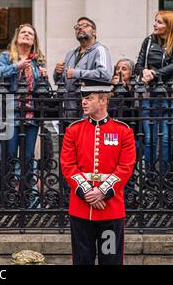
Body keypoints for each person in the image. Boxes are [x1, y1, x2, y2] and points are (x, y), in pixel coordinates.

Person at [60, 78, 136, 265]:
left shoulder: (123, 131)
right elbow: (68, 165)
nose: (83, 102)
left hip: (110, 211)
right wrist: (88, 192)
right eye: (83, 98)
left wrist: (102, 192)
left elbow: (125, 167)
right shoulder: (73, 130)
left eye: (89, 98)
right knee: (82, 260)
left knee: (109, 260)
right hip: (81, 208)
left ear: (103, 100)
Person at [0, 23, 48, 208]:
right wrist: (17, 66)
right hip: (10, 114)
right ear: (17, 37)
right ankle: (6, 198)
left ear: (34, 40)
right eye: (23, 32)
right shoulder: (6, 57)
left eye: (30, 33)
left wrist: (44, 77)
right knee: (7, 156)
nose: (26, 35)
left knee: (29, 157)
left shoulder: (38, 60)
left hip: (31, 115)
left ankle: (29, 199)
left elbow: (43, 89)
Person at [135, 10, 173, 173]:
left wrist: (154, 73)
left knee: (165, 139)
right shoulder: (148, 41)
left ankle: (162, 177)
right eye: (155, 21)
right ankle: (148, 177)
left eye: (160, 22)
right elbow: (138, 64)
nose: (155, 24)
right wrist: (144, 72)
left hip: (169, 95)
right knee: (149, 138)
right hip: (148, 93)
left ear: (169, 25)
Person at [53, 17, 113, 121]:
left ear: (94, 31)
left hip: (90, 113)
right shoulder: (70, 54)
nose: (80, 28)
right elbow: (61, 81)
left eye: (85, 25)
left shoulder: (100, 50)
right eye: (77, 27)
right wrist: (57, 73)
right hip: (68, 110)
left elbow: (105, 74)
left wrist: (77, 73)